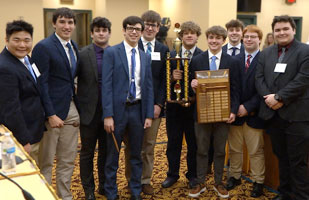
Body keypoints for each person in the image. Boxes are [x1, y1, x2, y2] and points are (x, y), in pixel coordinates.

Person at [255, 15, 309, 200]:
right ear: (273, 32)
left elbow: (303, 79)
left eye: (285, 29)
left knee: (298, 161)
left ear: (294, 30)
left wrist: (280, 97)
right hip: (273, 116)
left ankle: (301, 196)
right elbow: (259, 78)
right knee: (282, 158)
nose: (282, 32)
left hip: (297, 116)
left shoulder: (305, 51)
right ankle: (284, 193)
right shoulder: (266, 53)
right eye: (278, 30)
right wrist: (269, 99)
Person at [102, 16, 154, 200]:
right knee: (112, 155)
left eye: (137, 29)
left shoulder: (145, 56)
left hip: (137, 111)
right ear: (123, 30)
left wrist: (148, 115)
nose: (134, 32)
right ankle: (111, 192)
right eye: (130, 28)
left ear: (141, 33)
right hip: (117, 112)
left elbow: (148, 86)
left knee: (136, 154)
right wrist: (107, 115)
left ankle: (135, 190)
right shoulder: (111, 52)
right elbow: (106, 85)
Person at [31, 7, 80, 200]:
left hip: (71, 109)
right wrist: (50, 114)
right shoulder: (43, 47)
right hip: (51, 113)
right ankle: (45, 196)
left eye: (70, 22)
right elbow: (40, 83)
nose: (66, 26)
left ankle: (65, 196)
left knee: (68, 160)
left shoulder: (74, 46)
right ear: (54, 23)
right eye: (62, 22)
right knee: (47, 162)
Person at [189, 25, 240, 199]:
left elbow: (236, 89)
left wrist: (233, 110)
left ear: (223, 41)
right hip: (202, 114)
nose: (214, 41)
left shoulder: (232, 62)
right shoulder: (197, 60)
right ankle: (201, 182)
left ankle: (218, 182)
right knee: (201, 150)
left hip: (223, 114)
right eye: (211, 37)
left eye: (218, 38)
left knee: (219, 150)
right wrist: (192, 86)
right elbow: (190, 89)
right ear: (207, 39)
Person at [123, 10, 169, 195]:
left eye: (154, 25)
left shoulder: (164, 49)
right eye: (147, 24)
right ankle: (130, 179)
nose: (150, 28)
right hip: (132, 105)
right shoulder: (131, 46)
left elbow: (163, 81)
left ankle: (145, 179)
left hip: (153, 107)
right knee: (132, 146)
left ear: (158, 29)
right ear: (141, 27)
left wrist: (159, 104)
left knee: (148, 146)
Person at [161, 21, 202, 189]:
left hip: (194, 109)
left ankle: (192, 175)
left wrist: (195, 97)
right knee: (173, 143)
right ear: (181, 36)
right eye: (186, 33)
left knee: (194, 144)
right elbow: (162, 83)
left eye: (193, 33)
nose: (189, 35)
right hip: (174, 108)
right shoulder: (171, 55)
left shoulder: (203, 56)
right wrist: (172, 77)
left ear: (197, 37)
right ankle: (172, 174)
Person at [226, 25, 265, 198]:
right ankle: (235, 176)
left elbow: (265, 89)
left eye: (253, 37)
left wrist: (247, 107)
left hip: (255, 114)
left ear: (259, 40)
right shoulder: (235, 60)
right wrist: (235, 108)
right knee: (234, 149)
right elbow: (232, 88)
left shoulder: (265, 59)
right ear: (242, 39)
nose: (249, 39)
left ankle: (258, 181)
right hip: (236, 114)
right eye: (246, 36)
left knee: (256, 151)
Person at [76, 17, 111, 200]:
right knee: (87, 153)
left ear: (109, 33)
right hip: (88, 112)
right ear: (92, 34)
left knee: (106, 152)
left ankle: (104, 185)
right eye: (97, 30)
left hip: (109, 113)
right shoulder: (82, 54)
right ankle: (88, 189)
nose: (101, 33)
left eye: (104, 30)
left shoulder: (115, 53)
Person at [0, 20, 45, 163]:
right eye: (16, 40)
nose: (22, 45)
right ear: (6, 40)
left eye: (27, 40)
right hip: (21, 138)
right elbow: (10, 109)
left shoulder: (26, 59)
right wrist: (23, 141)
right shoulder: (5, 67)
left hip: (34, 130)